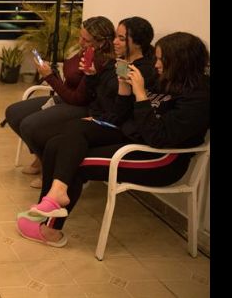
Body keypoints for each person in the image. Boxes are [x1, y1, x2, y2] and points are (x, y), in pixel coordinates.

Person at [16, 31, 209, 247]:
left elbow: (159, 138)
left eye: (161, 59)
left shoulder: (199, 97)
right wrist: (125, 90)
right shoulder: (165, 79)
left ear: (180, 62)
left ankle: (49, 229)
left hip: (162, 158)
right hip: (135, 137)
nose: (156, 64)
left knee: (76, 162)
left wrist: (141, 95)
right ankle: (51, 201)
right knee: (58, 142)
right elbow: (127, 117)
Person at [4, 16, 116, 187]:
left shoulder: (97, 61)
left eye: (86, 40)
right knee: (14, 113)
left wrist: (49, 77)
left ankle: (48, 168)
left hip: (81, 106)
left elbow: (77, 98)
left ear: (100, 42)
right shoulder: (84, 51)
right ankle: (40, 157)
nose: (80, 42)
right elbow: (68, 82)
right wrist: (51, 72)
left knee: (30, 125)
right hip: (65, 97)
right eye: (80, 36)